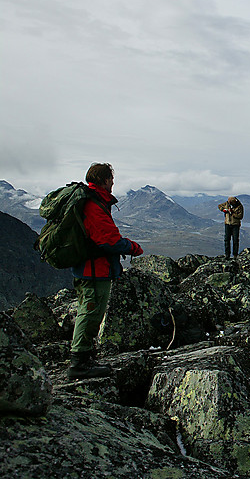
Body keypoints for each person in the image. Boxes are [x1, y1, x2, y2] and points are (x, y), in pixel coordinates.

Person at [68, 163, 143, 380]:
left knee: (91, 311)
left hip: (91, 268)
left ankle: (85, 357)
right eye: (110, 178)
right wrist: (132, 247)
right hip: (93, 270)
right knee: (90, 312)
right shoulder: (94, 204)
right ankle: (79, 363)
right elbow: (108, 240)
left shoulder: (94, 201)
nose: (113, 182)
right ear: (103, 179)